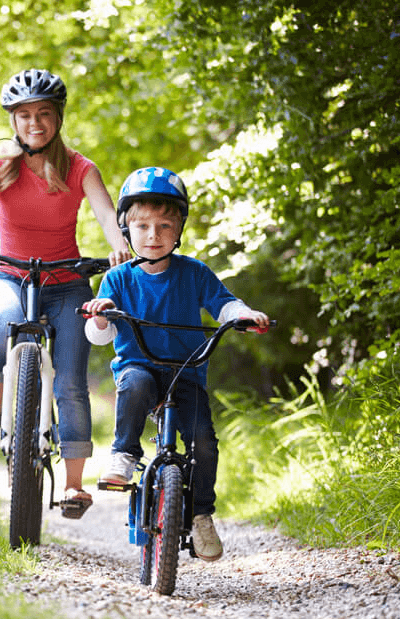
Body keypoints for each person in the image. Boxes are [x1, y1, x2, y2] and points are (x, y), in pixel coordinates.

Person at [0, 68, 131, 520]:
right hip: (8, 276)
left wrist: (119, 242)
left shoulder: (81, 168)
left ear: (58, 118)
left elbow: (106, 212)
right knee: (4, 321)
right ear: (13, 121)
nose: (34, 123)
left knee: (70, 383)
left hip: (67, 286)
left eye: (44, 113)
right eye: (24, 115)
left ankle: (74, 485)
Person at [82, 166, 270, 560]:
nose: (154, 236)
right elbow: (100, 334)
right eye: (144, 226)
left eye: (165, 226)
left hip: (186, 372)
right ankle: (125, 453)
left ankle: (201, 514)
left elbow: (224, 303)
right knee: (133, 386)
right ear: (126, 228)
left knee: (203, 440)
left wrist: (243, 314)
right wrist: (102, 314)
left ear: (180, 227)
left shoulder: (194, 273)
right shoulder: (117, 278)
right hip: (140, 366)